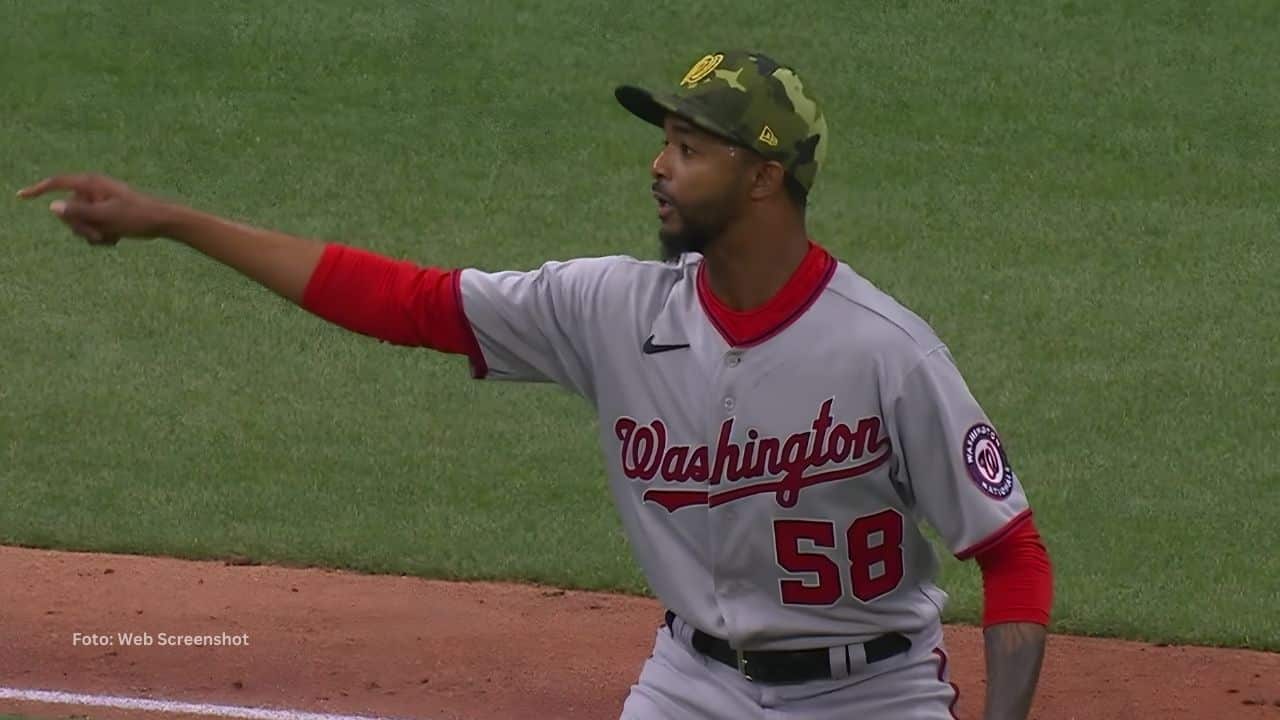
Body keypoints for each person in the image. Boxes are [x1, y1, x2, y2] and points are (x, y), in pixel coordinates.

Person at [18, 49, 1052, 720]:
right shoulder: (610, 308)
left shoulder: (883, 352)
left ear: (762, 177)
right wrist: (179, 223)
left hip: (867, 697)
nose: (656, 167)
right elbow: (403, 301)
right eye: (662, 143)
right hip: (689, 688)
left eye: (686, 149)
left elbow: (1011, 556)